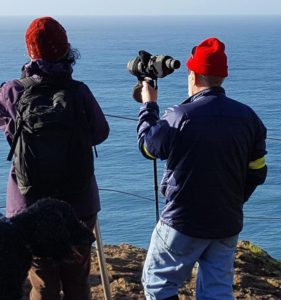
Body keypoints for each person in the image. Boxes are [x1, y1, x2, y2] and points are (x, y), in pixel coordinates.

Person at [137, 37, 267, 300]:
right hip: (227, 221)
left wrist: (149, 105)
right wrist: (233, 200)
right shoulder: (249, 117)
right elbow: (257, 172)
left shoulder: (179, 116)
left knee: (158, 283)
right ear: (222, 76)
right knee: (217, 292)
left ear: (193, 74)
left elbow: (148, 147)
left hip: (183, 220)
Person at [0, 16, 109, 300]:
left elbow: (10, 132)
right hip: (79, 203)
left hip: (28, 204)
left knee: (43, 284)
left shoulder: (12, 90)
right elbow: (100, 133)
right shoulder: (79, 91)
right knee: (77, 281)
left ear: (30, 52)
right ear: (66, 50)